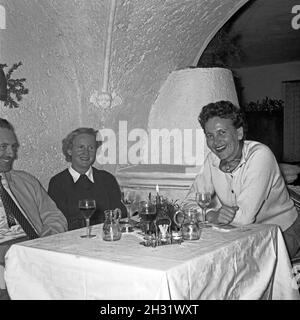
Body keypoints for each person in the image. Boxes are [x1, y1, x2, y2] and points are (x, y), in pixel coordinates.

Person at [182, 100, 300, 259]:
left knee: (251, 272)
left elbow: (243, 218)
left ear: (239, 133)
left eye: (222, 132)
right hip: (244, 233)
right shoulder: (212, 160)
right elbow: (188, 204)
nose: (215, 142)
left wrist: (211, 216)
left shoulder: (260, 155)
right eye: (210, 135)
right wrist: (211, 215)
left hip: (281, 231)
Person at [0, 118, 67, 299]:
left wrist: (42, 243)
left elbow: (55, 218)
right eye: (3, 146)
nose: (10, 153)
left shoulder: (26, 181)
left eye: (13, 147)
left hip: (35, 253)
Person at [48, 127, 126, 231]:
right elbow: (59, 222)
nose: (86, 152)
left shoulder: (107, 179)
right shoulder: (57, 183)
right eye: (81, 147)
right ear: (70, 150)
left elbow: (120, 213)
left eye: (91, 148)